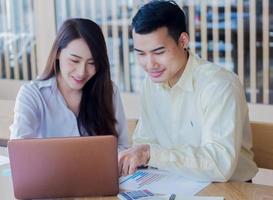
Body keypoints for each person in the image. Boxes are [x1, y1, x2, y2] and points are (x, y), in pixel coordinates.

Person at [118, 0, 258, 182]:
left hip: (229, 189)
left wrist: (150, 153)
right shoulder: (150, 83)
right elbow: (145, 140)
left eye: (159, 52)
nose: (150, 64)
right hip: (174, 183)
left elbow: (219, 165)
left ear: (183, 41)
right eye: (140, 53)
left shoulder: (219, 85)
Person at [10, 18, 128, 151]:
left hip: (100, 172)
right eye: (74, 60)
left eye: (92, 63)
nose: (81, 72)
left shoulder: (108, 91)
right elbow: (19, 150)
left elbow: (122, 147)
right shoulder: (33, 94)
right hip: (49, 172)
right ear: (58, 53)